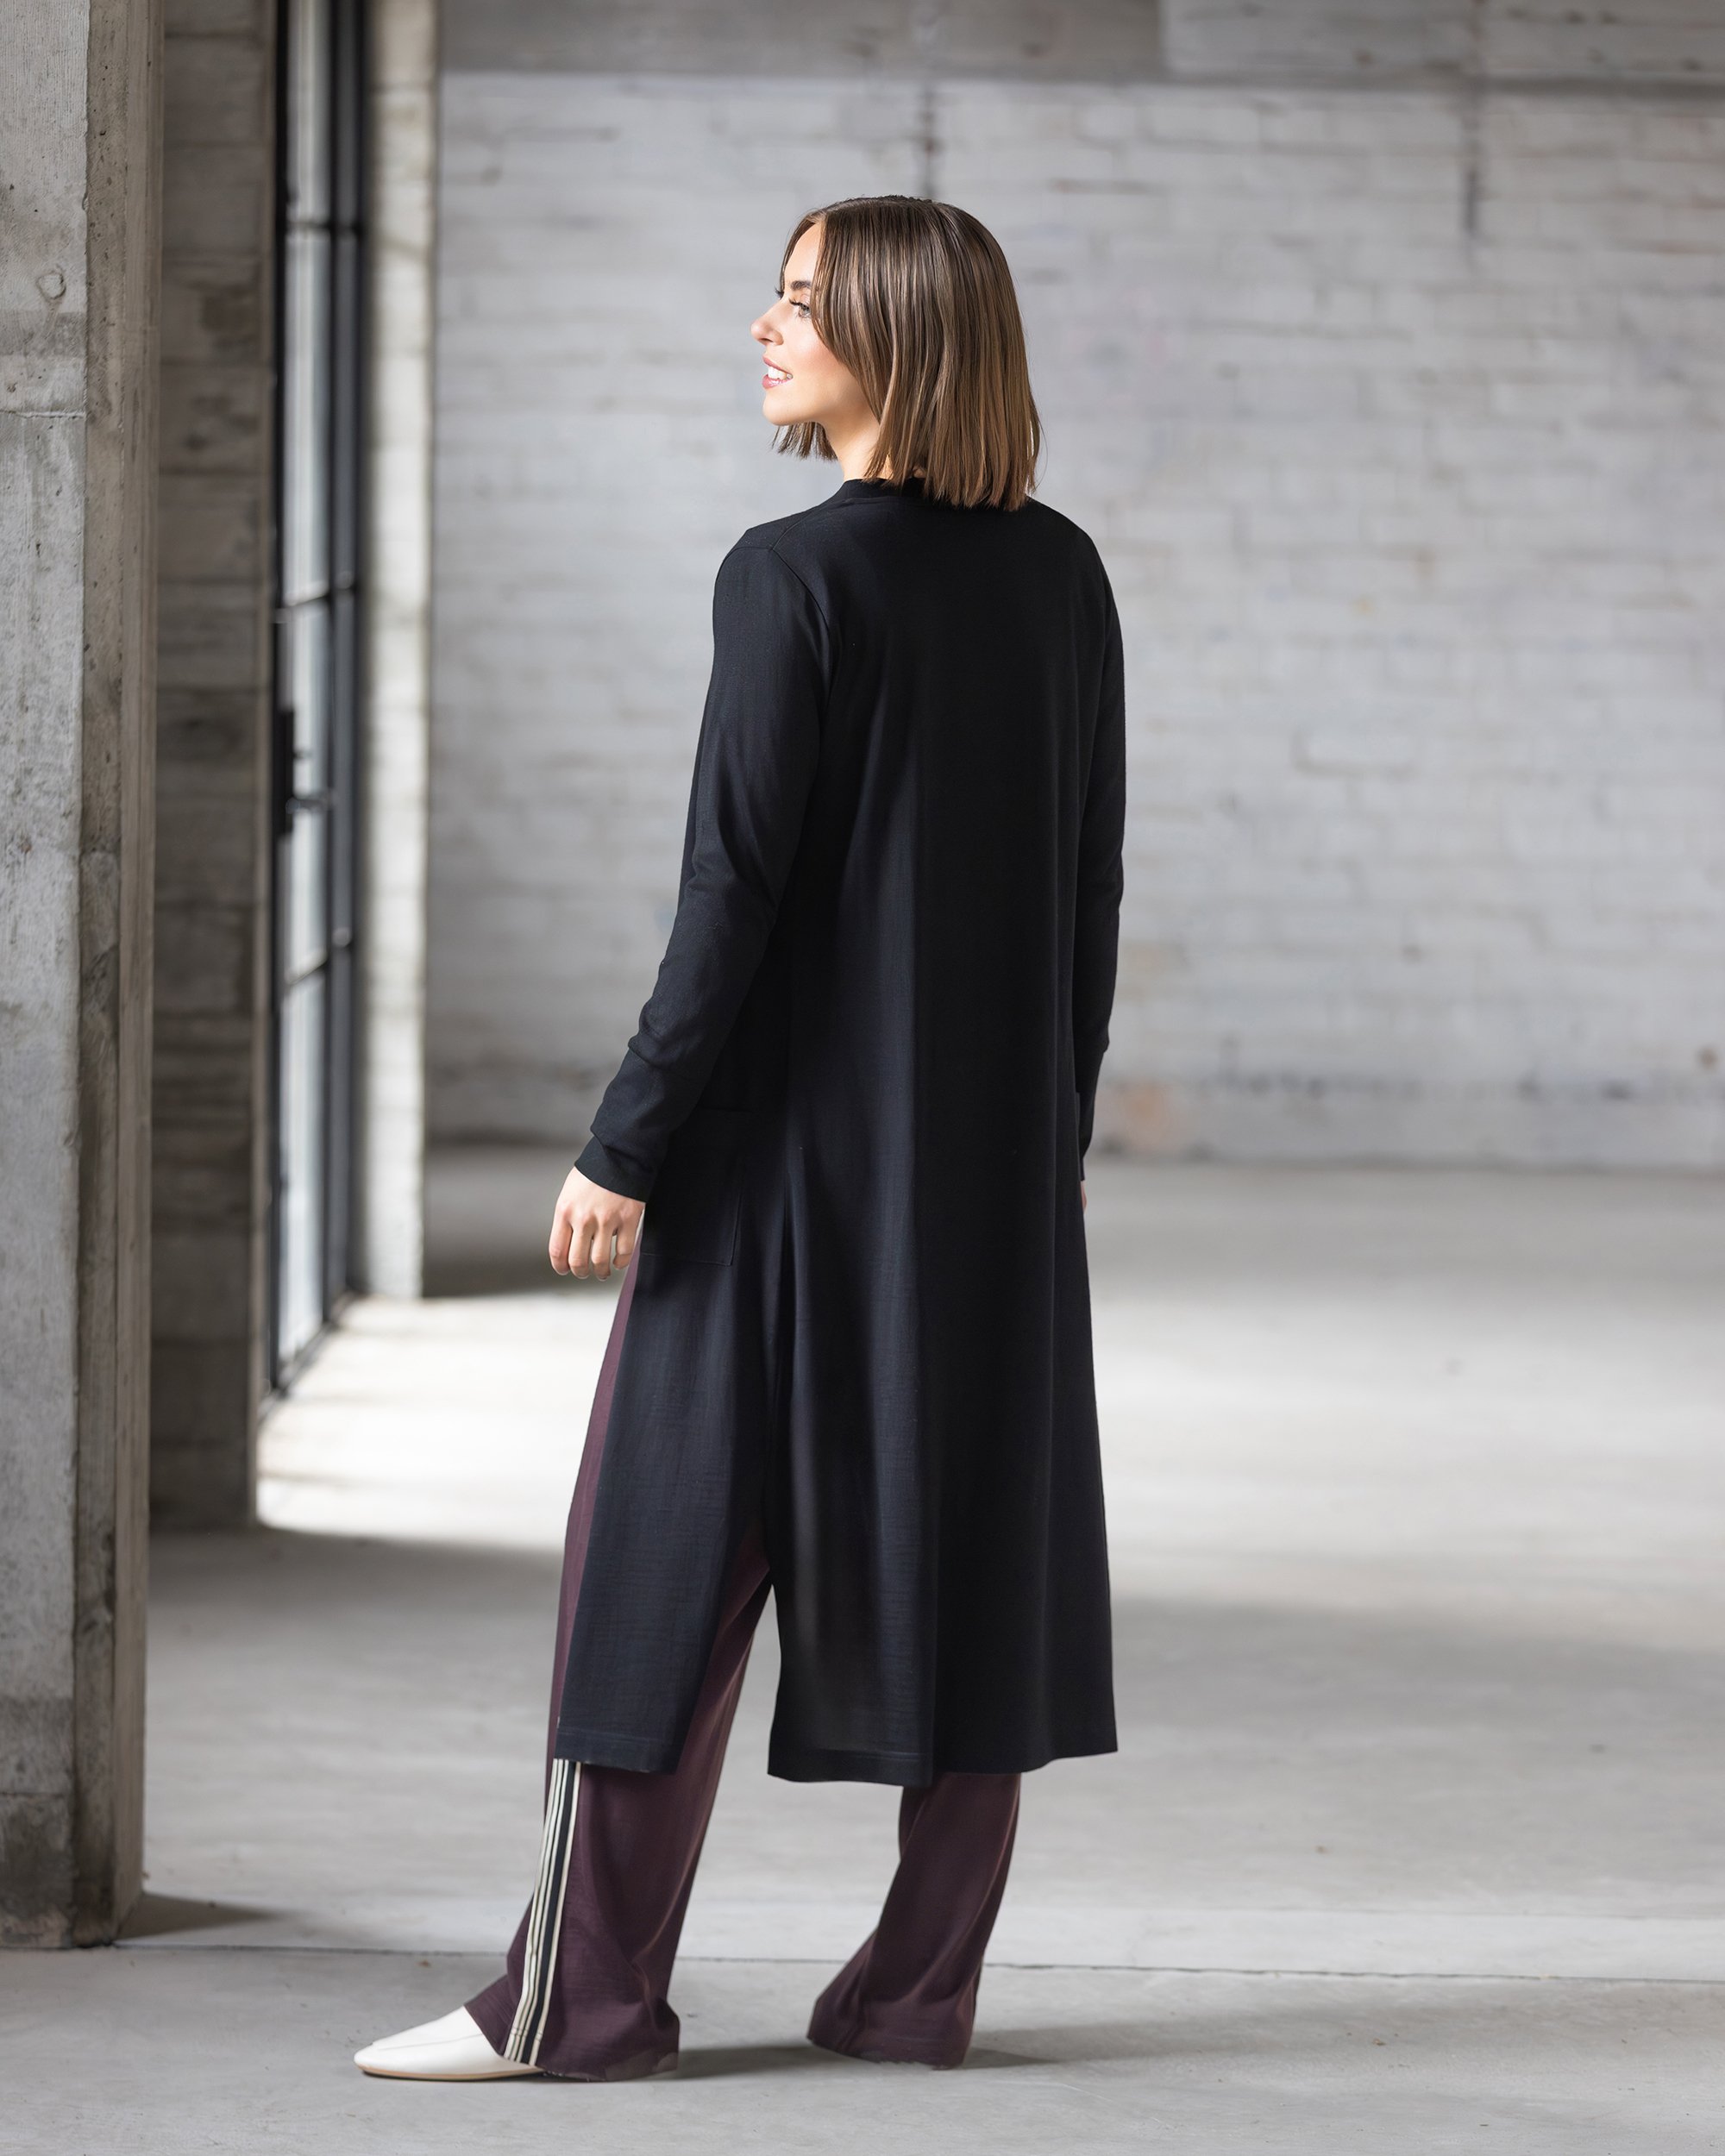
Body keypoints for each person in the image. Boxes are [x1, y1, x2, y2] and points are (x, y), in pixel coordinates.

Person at [354, 193, 1126, 2084]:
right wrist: (1044, 1146)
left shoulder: (790, 577)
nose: (763, 328)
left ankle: (580, 2001)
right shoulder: (1064, 575)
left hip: (773, 1173)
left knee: (653, 1574)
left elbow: (734, 896)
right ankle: (915, 1996)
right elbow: (1085, 896)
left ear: (895, 333)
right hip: (982, 1186)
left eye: (799, 301)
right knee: (972, 1561)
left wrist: (626, 1140)